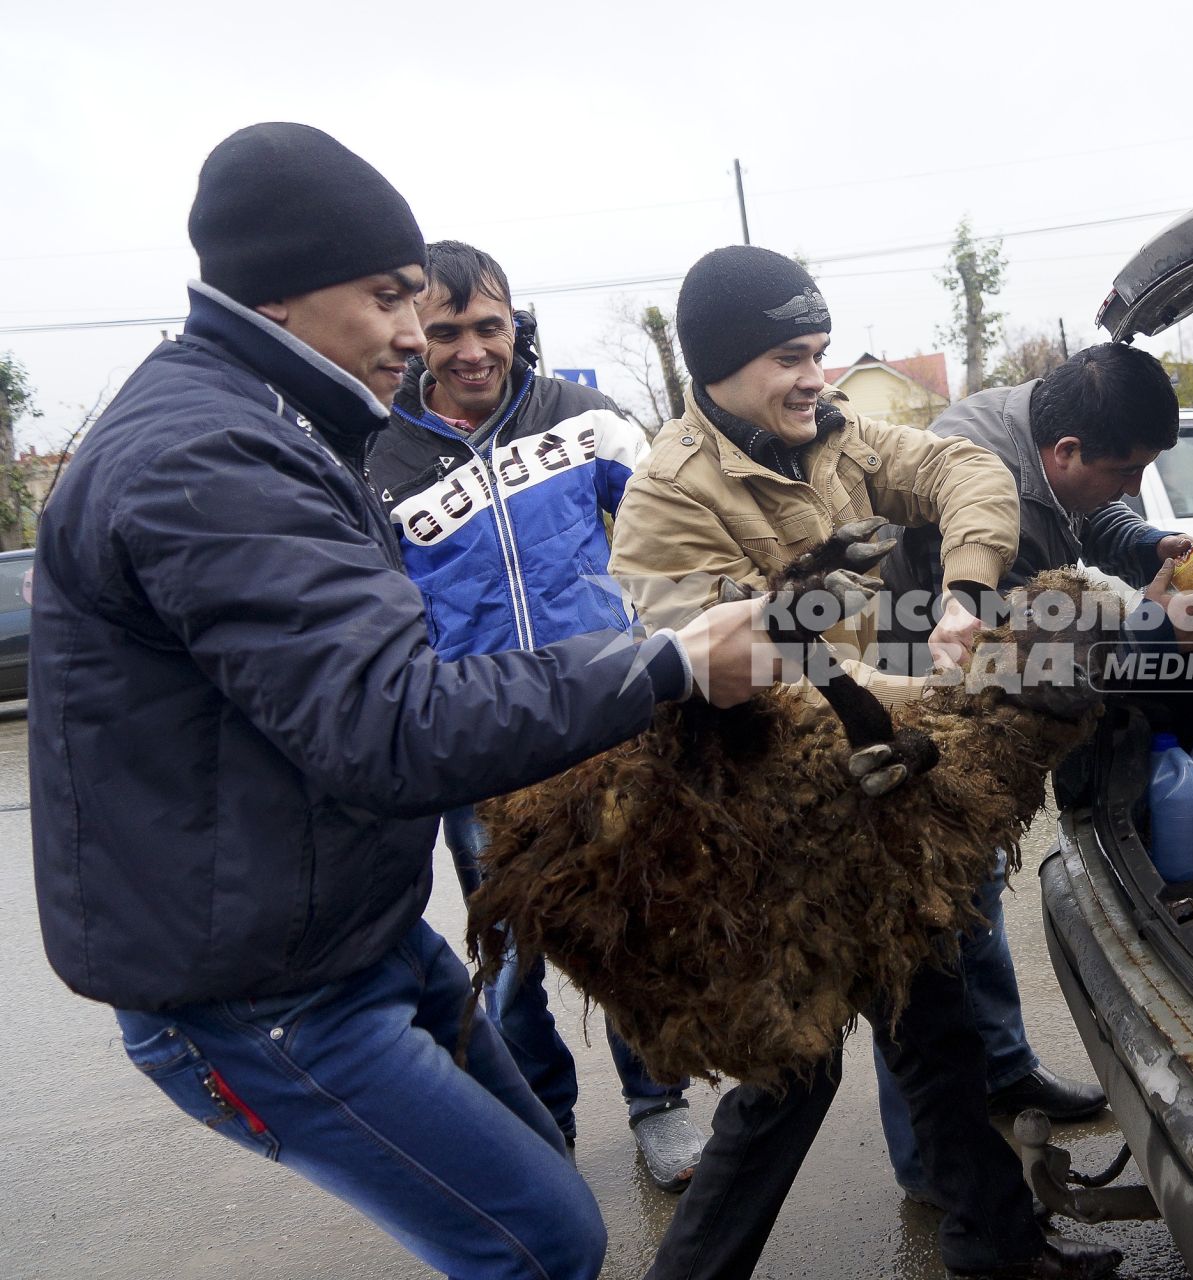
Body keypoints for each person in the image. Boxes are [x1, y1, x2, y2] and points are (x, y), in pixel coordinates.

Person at [28, 123, 764, 1280]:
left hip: (349, 937)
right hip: (253, 998)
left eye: (425, 301)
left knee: (538, 1185)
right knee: (539, 1238)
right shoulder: (208, 459)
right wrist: (665, 665)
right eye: (388, 298)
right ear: (279, 294)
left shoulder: (277, 421)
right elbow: (391, 720)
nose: (418, 334)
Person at [608, 244, 1121, 1280]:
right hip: (781, 813)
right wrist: (921, 697)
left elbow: (961, 467)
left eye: (820, 352)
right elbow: (740, 665)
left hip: (883, 782)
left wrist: (967, 591)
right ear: (717, 362)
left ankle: (994, 1241)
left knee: (932, 1021)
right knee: (791, 1071)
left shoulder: (833, 436)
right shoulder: (667, 498)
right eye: (788, 356)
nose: (813, 377)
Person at [365, 239, 703, 1191]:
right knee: (511, 955)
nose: (473, 350)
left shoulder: (588, 419)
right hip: (476, 744)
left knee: (634, 921)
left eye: (490, 326)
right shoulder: (377, 462)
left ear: (515, 324)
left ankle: (659, 1103)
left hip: (607, 721)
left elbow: (669, 523)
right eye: (445, 332)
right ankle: (541, 1123)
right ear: (416, 337)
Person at [875, 342, 1193, 1203]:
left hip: (971, 697)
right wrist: (1153, 635)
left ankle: (1007, 1070)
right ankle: (933, 1171)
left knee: (978, 897)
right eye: (1127, 471)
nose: (1132, 485)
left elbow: (1096, 519)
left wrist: (1154, 540)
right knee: (922, 928)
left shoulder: (1048, 417)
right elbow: (1038, 657)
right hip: (921, 711)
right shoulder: (996, 494)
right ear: (1065, 453)